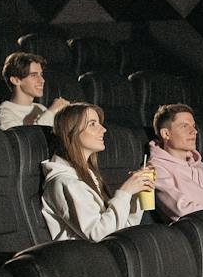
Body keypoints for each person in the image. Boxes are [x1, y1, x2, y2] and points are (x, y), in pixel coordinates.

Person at [40, 103, 154, 241]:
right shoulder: (66, 182)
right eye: (92, 124)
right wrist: (126, 192)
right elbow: (98, 234)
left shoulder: (87, 175)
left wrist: (136, 195)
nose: (104, 129)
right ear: (71, 131)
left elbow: (121, 228)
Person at [147, 103, 203, 222]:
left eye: (193, 126)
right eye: (185, 126)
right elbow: (182, 210)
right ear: (166, 134)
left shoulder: (198, 165)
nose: (194, 131)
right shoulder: (157, 170)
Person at [0, 52, 68, 130]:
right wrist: (51, 112)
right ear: (16, 80)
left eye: (41, 75)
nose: (42, 80)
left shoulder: (40, 108)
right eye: (34, 75)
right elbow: (24, 140)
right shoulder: (4, 114)